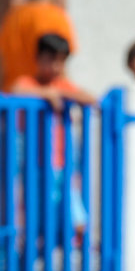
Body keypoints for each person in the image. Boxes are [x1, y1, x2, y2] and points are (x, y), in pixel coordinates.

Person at [9, 33, 98, 235]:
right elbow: (15, 90)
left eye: (61, 61)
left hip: (61, 161)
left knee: (72, 209)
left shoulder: (62, 85)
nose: (56, 67)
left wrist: (61, 94)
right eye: (51, 60)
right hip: (35, 162)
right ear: (37, 58)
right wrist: (46, 94)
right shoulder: (29, 82)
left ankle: (72, 242)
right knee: (36, 209)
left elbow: (90, 98)